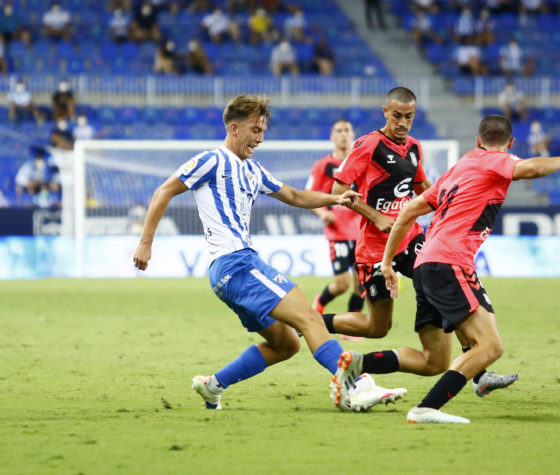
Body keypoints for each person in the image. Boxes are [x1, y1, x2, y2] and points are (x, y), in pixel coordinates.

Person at [133, 94, 405, 413]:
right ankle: (357, 386)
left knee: (286, 344)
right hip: (237, 264)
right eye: (255, 130)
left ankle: (213, 386)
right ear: (234, 128)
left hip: (228, 275)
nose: (260, 138)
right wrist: (145, 243)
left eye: (263, 131)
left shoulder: (253, 170)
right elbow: (163, 190)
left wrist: (337, 199)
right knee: (309, 317)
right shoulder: (212, 161)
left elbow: (292, 194)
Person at [335, 117, 560, 423]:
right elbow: (532, 169)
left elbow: (407, 211)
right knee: (491, 345)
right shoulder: (495, 161)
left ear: (476, 141)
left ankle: (358, 363)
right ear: (510, 145)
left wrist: (389, 262)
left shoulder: (460, 167)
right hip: (449, 263)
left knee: (434, 360)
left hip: (426, 264)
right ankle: (426, 409)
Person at [328, 88, 517, 406]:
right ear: (385, 112)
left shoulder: (414, 148)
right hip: (375, 248)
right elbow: (338, 189)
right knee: (377, 327)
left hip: (412, 239)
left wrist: (452, 200)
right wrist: (375, 216)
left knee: (448, 285)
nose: (403, 123)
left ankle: (479, 370)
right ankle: (316, 322)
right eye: (397, 115)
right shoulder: (368, 144)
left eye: (409, 117)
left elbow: (424, 189)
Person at [305, 119, 365, 337]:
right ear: (332, 136)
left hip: (362, 231)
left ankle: (353, 327)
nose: (343, 134)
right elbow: (309, 193)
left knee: (362, 283)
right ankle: (319, 303)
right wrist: (322, 212)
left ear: (353, 134)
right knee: (341, 284)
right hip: (338, 232)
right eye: (338, 130)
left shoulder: (361, 162)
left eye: (347, 130)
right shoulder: (323, 165)